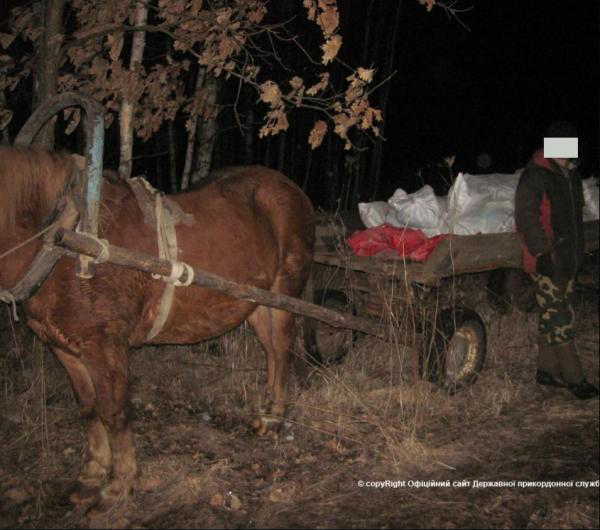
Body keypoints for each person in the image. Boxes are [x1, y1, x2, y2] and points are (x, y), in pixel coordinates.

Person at [514, 120, 598, 400]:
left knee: (554, 315)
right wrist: (541, 254)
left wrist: (577, 254)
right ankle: (576, 379)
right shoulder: (537, 175)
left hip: (567, 259)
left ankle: (546, 370)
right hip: (546, 260)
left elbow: (573, 220)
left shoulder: (570, 176)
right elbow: (528, 217)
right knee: (561, 318)